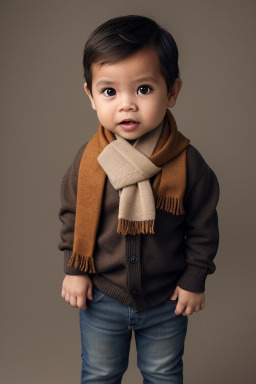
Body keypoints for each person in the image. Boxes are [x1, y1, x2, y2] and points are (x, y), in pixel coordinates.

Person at [57, 14, 220, 384]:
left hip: (166, 299)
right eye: (110, 91)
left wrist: (195, 279)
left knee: (164, 375)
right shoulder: (88, 161)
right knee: (99, 373)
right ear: (91, 96)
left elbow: (202, 226)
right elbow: (72, 216)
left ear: (172, 91)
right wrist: (75, 269)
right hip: (102, 295)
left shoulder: (187, 162)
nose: (126, 105)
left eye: (144, 89)